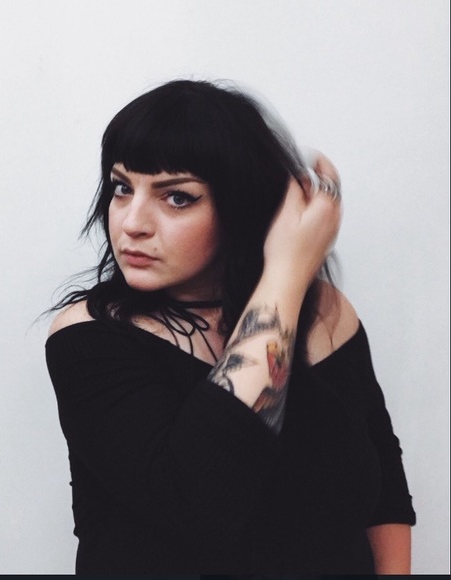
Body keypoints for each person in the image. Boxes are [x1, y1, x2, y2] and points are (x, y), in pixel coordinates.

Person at [45, 79, 416, 575]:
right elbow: (199, 502)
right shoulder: (89, 339)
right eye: (121, 187)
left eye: (177, 197)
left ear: (242, 205)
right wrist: (286, 272)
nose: (132, 223)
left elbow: (384, 493)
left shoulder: (325, 313)